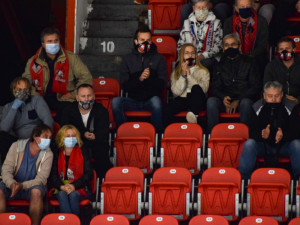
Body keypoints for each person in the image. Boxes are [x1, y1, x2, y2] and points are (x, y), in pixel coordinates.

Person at [22, 27, 92, 122]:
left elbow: (86, 77)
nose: (53, 44)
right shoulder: (33, 61)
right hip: (41, 97)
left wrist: (74, 94)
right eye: (49, 41)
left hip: (64, 99)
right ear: (43, 44)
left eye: (56, 40)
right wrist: (36, 96)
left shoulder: (71, 58)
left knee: (68, 114)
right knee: (30, 114)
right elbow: (26, 82)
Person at [239, 81, 300, 180]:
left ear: (281, 95)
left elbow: (297, 131)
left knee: (297, 144)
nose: (273, 99)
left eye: (276, 96)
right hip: (263, 145)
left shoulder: (291, 106)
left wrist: (283, 135)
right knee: (249, 144)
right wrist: (263, 135)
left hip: (284, 145)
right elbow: (252, 133)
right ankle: (243, 181)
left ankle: (298, 181)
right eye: (270, 96)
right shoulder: (257, 107)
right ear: (264, 96)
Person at [111, 25, 167, 132]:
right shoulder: (127, 59)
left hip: (151, 100)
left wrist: (150, 78)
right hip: (132, 100)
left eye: (148, 40)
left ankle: (156, 136)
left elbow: (162, 84)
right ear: (136, 41)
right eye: (142, 40)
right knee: (115, 102)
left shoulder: (159, 58)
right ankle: (123, 132)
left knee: (156, 102)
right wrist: (139, 79)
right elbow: (124, 85)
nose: (145, 43)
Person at [206, 33, 261, 133]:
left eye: (233, 44)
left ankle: (244, 136)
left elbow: (255, 86)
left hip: (243, 100)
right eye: (226, 45)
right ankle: (213, 136)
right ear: (223, 48)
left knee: (246, 103)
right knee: (211, 101)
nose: (230, 47)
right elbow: (215, 87)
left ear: (239, 46)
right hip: (225, 100)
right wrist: (223, 98)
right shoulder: (218, 64)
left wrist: (238, 100)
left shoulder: (250, 62)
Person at [0, 124, 53, 225]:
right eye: (45, 137)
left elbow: (41, 179)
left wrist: (22, 186)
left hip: (31, 188)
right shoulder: (16, 146)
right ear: (35, 137)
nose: (48, 140)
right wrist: (11, 184)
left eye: (50, 138)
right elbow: (6, 169)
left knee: (37, 192)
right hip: (12, 186)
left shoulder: (48, 154)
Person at [61, 84, 110, 179]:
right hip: (75, 142)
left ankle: (102, 183)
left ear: (94, 96)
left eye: (89, 95)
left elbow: (104, 133)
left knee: (102, 150)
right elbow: (64, 128)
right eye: (83, 96)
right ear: (77, 98)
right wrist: (82, 134)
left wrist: (95, 136)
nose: (86, 99)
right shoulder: (68, 110)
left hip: (95, 143)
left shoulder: (101, 110)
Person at [0, 77, 53, 163]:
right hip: (18, 140)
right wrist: (14, 108)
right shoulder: (8, 107)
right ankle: (7, 171)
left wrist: (44, 137)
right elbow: (4, 129)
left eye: (25, 89)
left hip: (36, 137)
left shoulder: (36, 100)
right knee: (2, 137)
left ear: (29, 90)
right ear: (13, 90)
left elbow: (48, 120)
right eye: (19, 89)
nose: (22, 92)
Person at [50, 125, 93, 215]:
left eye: (73, 136)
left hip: (80, 187)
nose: (71, 138)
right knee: (62, 194)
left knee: (73, 195)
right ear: (61, 138)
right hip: (60, 187)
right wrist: (62, 187)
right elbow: (52, 176)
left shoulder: (83, 151)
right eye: (68, 136)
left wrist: (74, 186)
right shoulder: (56, 153)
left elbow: (88, 174)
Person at [164, 43, 209, 126]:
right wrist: (183, 76)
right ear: (182, 56)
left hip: (198, 100)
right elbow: (175, 93)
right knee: (167, 109)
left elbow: (203, 90)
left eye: (193, 53)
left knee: (196, 87)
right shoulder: (176, 72)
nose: (190, 56)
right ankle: (171, 132)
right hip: (183, 99)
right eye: (187, 53)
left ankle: (193, 116)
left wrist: (189, 76)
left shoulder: (203, 71)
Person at [224, 0, 269, 76]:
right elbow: (227, 42)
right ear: (236, 8)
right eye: (242, 7)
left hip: (255, 56)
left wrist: (249, 56)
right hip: (234, 55)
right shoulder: (229, 22)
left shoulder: (261, 21)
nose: (245, 8)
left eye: (247, 6)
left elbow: (262, 45)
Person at [177, 0, 223, 71]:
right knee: (180, 65)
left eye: (204, 7)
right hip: (189, 56)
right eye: (198, 7)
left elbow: (218, 46)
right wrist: (188, 56)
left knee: (202, 65)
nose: (201, 10)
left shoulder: (216, 23)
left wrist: (203, 56)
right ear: (194, 8)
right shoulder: (186, 23)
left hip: (208, 58)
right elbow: (180, 45)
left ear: (208, 8)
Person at [264, 37, 300, 106]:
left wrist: (298, 100)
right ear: (278, 51)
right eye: (281, 49)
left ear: (294, 49)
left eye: (287, 49)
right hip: (277, 101)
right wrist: (281, 99)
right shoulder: (272, 66)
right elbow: (267, 86)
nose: (284, 51)